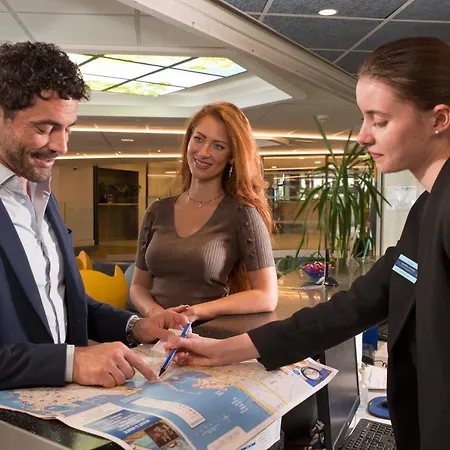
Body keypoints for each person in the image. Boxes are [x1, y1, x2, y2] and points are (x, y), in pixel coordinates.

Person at [166, 37, 450, 450]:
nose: (363, 136)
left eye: (379, 121)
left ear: (439, 118)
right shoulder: (427, 209)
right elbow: (353, 307)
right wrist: (225, 350)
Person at [0, 41, 188, 391]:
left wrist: (135, 326)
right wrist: (70, 362)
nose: (61, 146)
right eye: (44, 128)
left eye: (68, 128)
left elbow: (60, 300)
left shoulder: (42, 194)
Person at [130, 102, 278, 322]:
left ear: (232, 156)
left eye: (218, 146)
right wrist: (157, 315)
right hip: (154, 333)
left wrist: (195, 312)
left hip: (207, 334)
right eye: (199, 139)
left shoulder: (242, 214)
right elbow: (138, 286)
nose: (203, 152)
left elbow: (267, 295)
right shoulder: (156, 211)